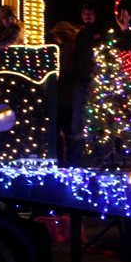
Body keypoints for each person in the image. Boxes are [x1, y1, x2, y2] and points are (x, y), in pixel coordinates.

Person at [68, 0, 131, 166]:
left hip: (101, 83)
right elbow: (77, 58)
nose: (87, 17)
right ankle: (76, 159)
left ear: (96, 14)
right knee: (78, 123)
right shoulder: (81, 34)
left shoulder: (106, 28)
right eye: (84, 14)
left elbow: (125, 45)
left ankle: (101, 159)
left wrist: (124, 30)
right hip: (82, 82)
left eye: (90, 13)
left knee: (102, 123)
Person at [46, 20, 81, 165]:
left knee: (60, 130)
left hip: (64, 97)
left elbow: (64, 72)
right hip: (70, 97)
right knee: (68, 131)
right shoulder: (74, 48)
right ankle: (69, 160)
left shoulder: (67, 50)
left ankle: (62, 160)